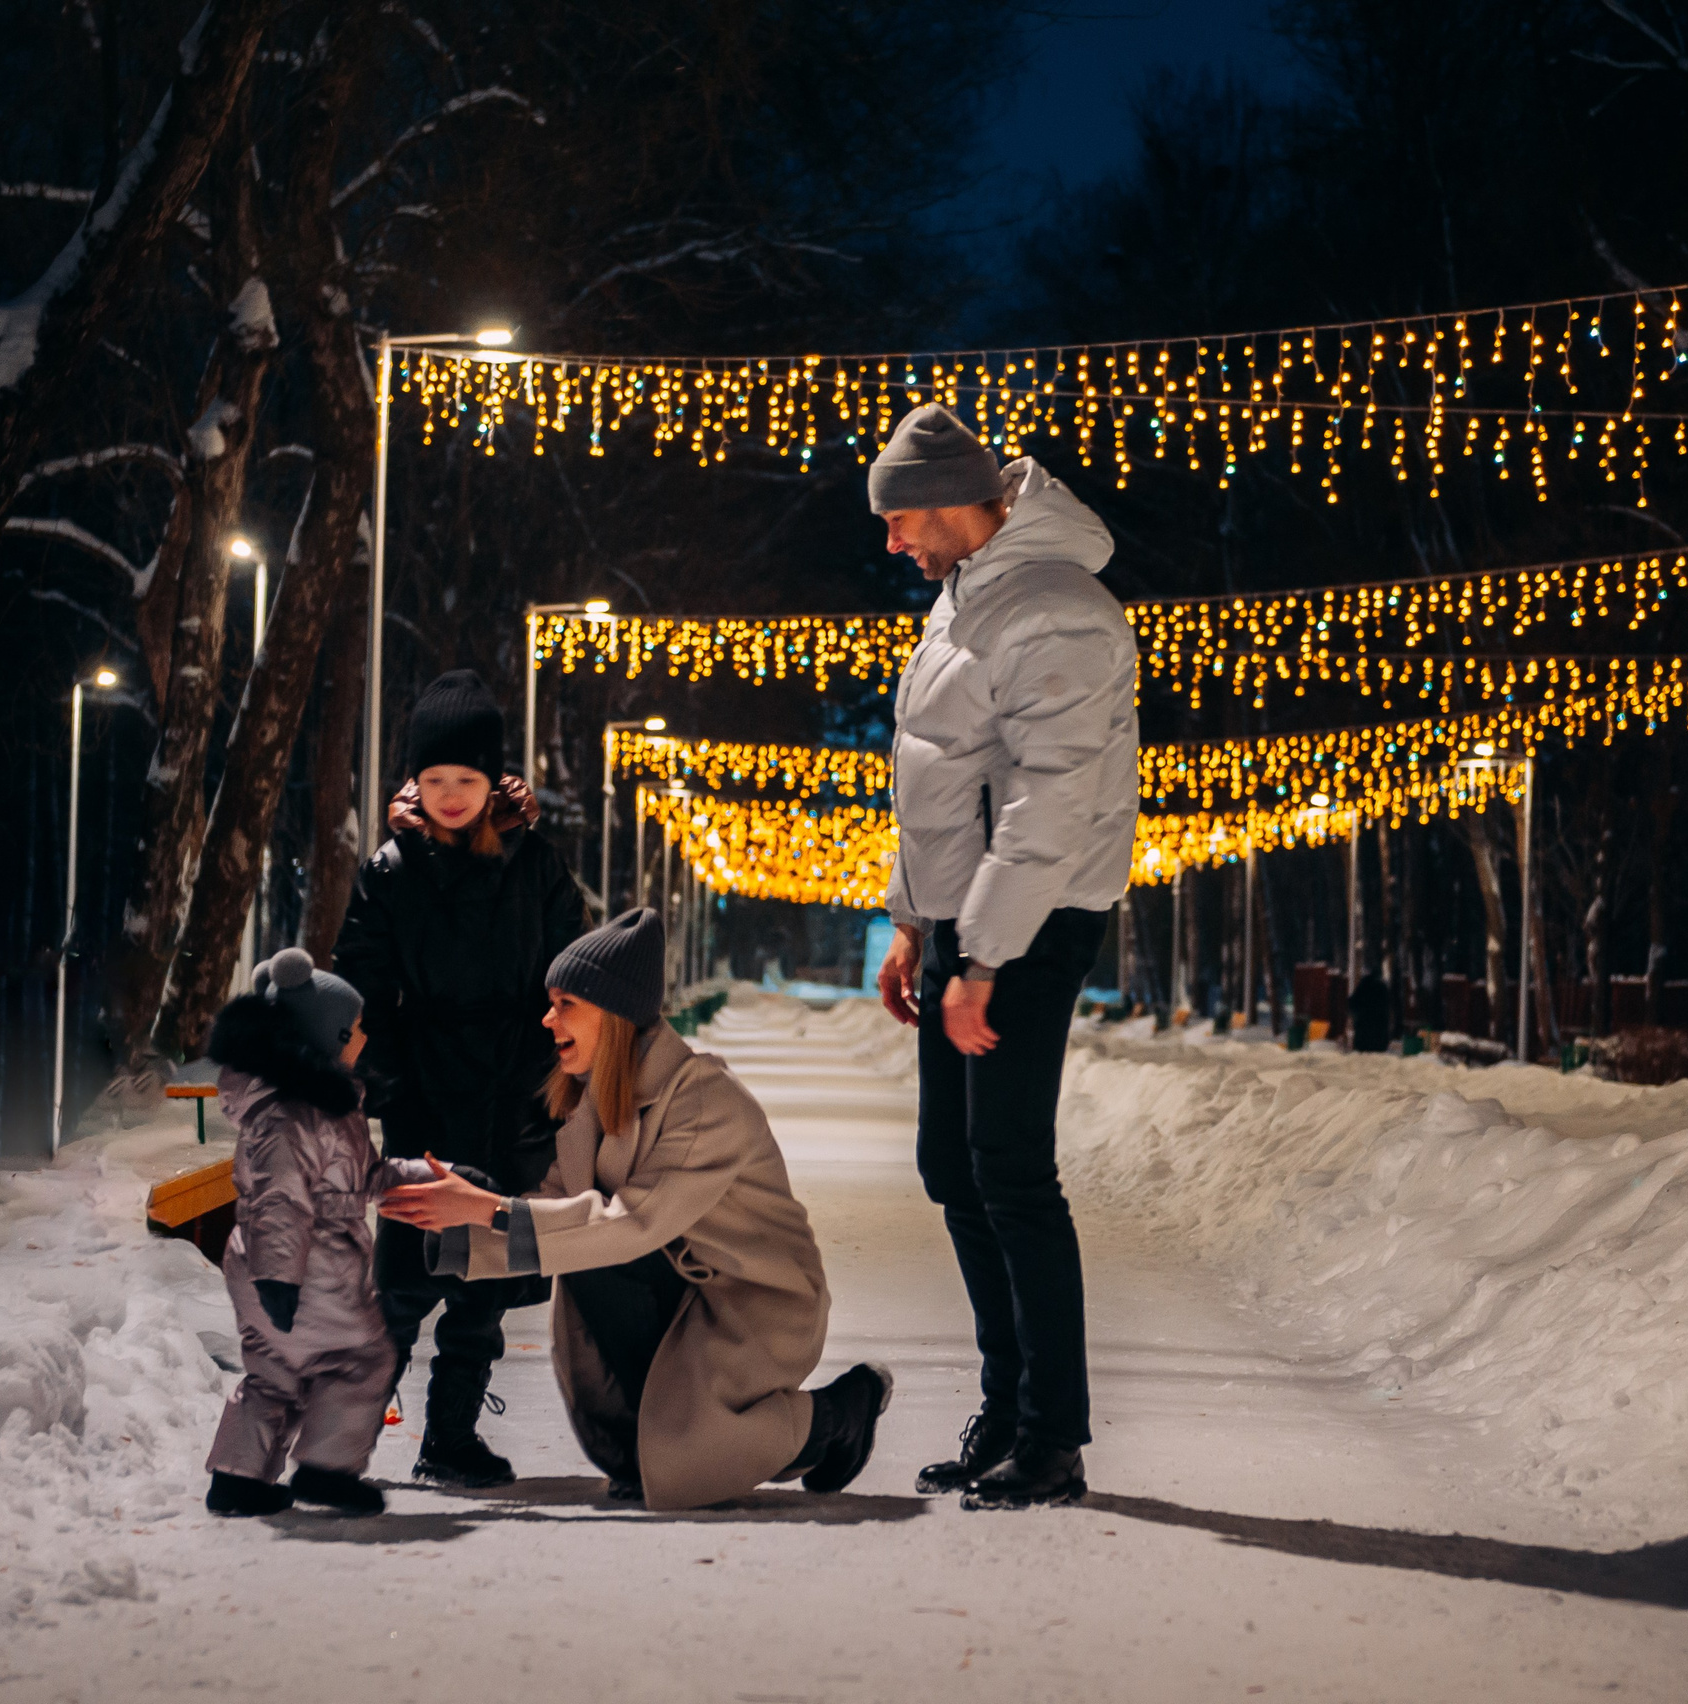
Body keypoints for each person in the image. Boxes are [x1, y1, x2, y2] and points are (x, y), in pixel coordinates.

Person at [380, 909, 890, 1510]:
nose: (548, 1019)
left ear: (613, 1014)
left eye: (566, 1003)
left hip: (752, 1302)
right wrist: (461, 1212)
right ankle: (727, 1432)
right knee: (646, 1461)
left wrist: (491, 1212)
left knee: (681, 1466)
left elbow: (630, 1224)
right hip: (677, 1288)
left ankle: (835, 1412)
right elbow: (559, 1211)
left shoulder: (701, 1097)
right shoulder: (584, 1101)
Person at [865, 404, 1139, 1510]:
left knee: (1011, 1168)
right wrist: (912, 920)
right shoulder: (968, 597)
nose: (894, 545)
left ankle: (1051, 1435)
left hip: (1031, 919)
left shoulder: (1059, 610)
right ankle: (1007, 1400)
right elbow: (938, 777)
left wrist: (981, 958)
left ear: (957, 500)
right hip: (966, 924)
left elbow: (1045, 808)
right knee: (951, 1162)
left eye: (901, 521)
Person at [332, 668, 584, 1488]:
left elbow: (570, 975)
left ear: (491, 780)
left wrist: (552, 1073)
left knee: (487, 1289)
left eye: (465, 779)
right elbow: (360, 989)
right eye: (434, 779)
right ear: (415, 780)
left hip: (515, 1093)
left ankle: (451, 1437)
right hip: (426, 1101)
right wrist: (391, 1084)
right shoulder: (392, 871)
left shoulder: (537, 865)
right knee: (400, 1287)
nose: (449, 795)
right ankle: (344, 1442)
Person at [202, 949, 434, 1517]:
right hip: (306, 1263)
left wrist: (428, 1176)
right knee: (361, 1359)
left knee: (273, 1373)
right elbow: (281, 1199)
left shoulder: (313, 1108)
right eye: (355, 1029)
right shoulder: (299, 1116)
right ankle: (328, 1469)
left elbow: (364, 1178)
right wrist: (280, 1276)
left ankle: (238, 1478)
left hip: (267, 1264)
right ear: (327, 1038)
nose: (364, 1036)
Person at [1347, 972, 1396, 1054]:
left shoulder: (1362, 988)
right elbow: (1389, 1008)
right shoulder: (1382, 988)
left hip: (1363, 1039)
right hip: (1379, 1039)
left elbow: (1352, 1004)